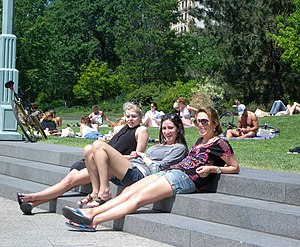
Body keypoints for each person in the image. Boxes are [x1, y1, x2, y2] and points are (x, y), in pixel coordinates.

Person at [62, 106, 240, 232]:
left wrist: (213, 168)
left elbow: (234, 167)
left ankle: (93, 220)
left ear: (215, 123)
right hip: (172, 172)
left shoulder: (220, 143)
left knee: (138, 198)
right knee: (130, 190)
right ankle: (89, 212)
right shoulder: (200, 141)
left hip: (184, 180)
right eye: (197, 121)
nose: (200, 125)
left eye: (204, 121)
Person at [16, 102, 149, 215]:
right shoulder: (124, 128)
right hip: (95, 159)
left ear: (140, 117)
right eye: (128, 116)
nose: (130, 119)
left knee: (70, 180)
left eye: (134, 116)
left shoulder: (141, 130)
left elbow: (137, 157)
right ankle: (33, 203)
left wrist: (106, 154)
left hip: (108, 165)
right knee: (70, 177)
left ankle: (33, 198)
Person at [82, 113, 188, 207]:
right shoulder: (158, 146)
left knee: (98, 144)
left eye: (170, 128)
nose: (166, 132)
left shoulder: (179, 148)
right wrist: (135, 156)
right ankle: (95, 192)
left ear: (178, 128)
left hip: (139, 174)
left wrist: (143, 156)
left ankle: (104, 191)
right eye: (164, 128)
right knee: (88, 150)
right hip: (131, 166)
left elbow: (157, 169)